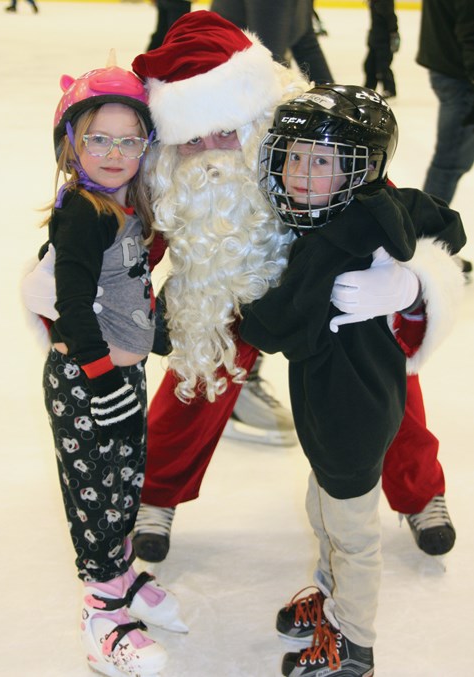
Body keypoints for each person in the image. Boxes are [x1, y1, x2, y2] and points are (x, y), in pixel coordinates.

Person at [129, 10, 463, 565]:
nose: (213, 151)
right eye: (193, 139)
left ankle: (421, 492)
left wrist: (407, 283)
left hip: (326, 281)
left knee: (386, 381)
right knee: (199, 372)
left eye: (228, 130)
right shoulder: (162, 174)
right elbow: (133, 249)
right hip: (226, 287)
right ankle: (156, 494)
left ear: (259, 114)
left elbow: (395, 211)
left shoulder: (312, 137)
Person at [238, 84, 465, 676]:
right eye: (292, 155)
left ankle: (354, 642)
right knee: (325, 511)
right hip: (352, 402)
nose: (299, 173)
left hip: (349, 414)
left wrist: (240, 305)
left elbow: (277, 328)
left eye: (321, 161)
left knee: (352, 534)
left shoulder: (328, 242)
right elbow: (447, 221)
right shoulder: (373, 206)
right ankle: (332, 601)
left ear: (360, 170)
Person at [21, 58, 186, 677]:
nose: (115, 153)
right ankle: (101, 609)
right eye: (99, 139)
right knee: (95, 497)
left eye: (129, 140)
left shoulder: (128, 208)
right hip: (87, 382)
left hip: (121, 376)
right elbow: (71, 305)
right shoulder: (83, 214)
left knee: (124, 487)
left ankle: (120, 571)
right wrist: (100, 378)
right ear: (73, 144)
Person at [417, 0, 474, 277]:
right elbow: (471, 30)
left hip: (450, 65)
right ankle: (423, 247)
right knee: (449, 163)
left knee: (452, 163)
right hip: (460, 76)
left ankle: (424, 244)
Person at [210, 0, 333, 84]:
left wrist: (333, 97)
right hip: (226, 83)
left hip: (236, 80)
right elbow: (270, 64)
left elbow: (305, 42)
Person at [363, 0, 400, 99]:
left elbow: (391, 19)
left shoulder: (384, 3)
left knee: (383, 67)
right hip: (375, 39)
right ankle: (368, 88)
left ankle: (390, 89)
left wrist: (394, 36)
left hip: (384, 41)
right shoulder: (375, 2)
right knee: (369, 65)